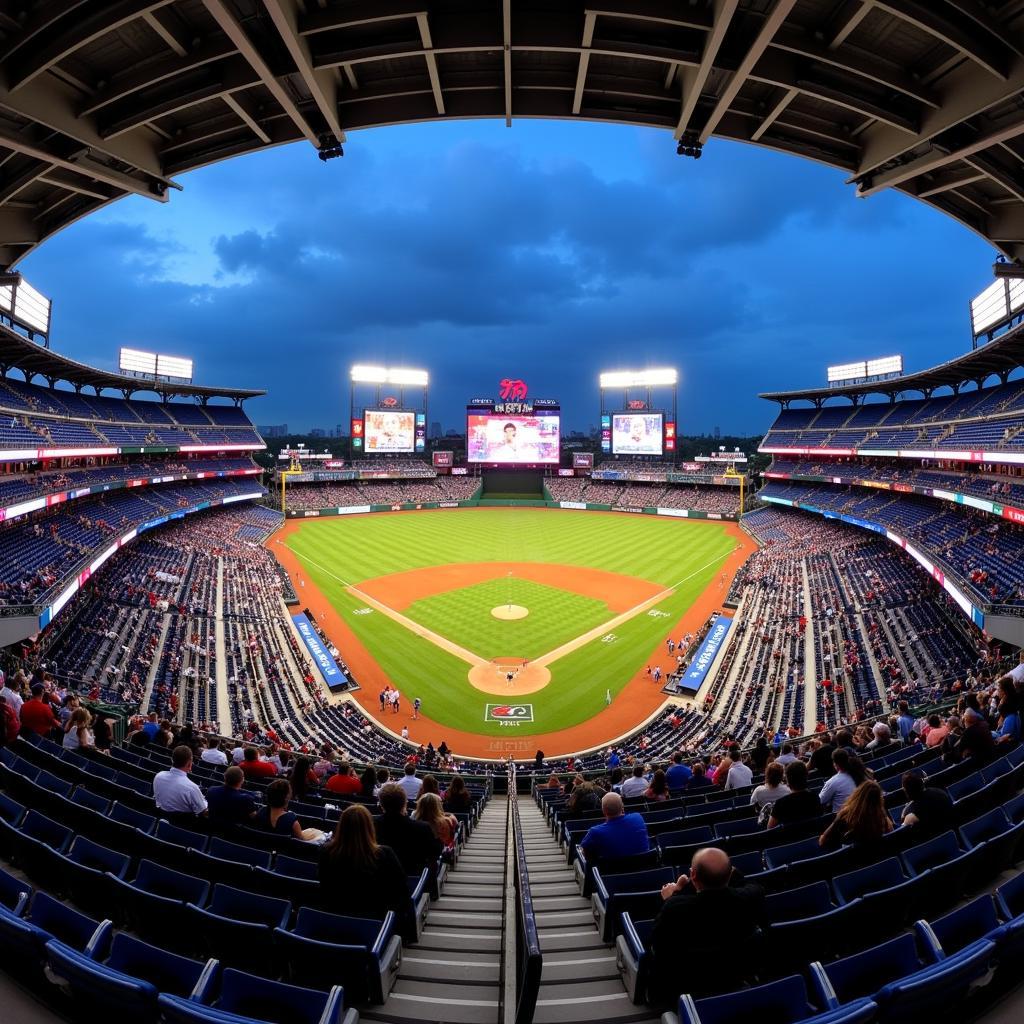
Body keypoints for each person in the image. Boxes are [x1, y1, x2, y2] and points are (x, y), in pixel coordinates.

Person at [649, 848, 764, 1004]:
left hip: (685, 990)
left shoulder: (674, 908)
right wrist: (731, 873)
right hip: (732, 979)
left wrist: (671, 897)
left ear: (693, 874)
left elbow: (656, 944)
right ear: (729, 875)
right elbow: (754, 886)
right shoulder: (748, 899)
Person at [319, 804, 410, 918]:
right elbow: (402, 893)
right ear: (369, 827)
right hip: (376, 923)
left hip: (334, 919)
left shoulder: (326, 852)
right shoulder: (384, 854)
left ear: (341, 826)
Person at [374, 782, 442, 876]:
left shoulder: (371, 826)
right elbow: (435, 853)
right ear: (404, 803)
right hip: (415, 882)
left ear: (381, 804)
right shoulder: (423, 828)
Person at [819, 780, 892, 850]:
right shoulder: (880, 814)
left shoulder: (845, 814)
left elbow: (822, 841)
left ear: (858, 794)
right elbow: (890, 829)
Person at [578, 793, 650, 861]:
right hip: (644, 870)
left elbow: (585, 854)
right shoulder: (638, 817)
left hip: (611, 872)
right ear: (622, 807)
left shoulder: (595, 832)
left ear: (603, 811)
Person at [255, 779, 323, 842]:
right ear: (286, 797)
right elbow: (302, 842)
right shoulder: (291, 820)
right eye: (290, 792)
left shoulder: (260, 812)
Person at [153, 745, 207, 819]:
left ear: (172, 760)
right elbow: (203, 811)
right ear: (190, 763)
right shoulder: (192, 788)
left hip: (159, 819)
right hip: (181, 826)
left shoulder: (158, 776)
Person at [767, 760, 821, 828]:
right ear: (806, 777)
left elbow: (769, 828)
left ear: (787, 780)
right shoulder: (815, 796)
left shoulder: (781, 803)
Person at [900, 771, 955, 836]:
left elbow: (903, 826)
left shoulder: (910, 814)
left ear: (906, 791)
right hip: (952, 837)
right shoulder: (940, 792)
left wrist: (904, 811)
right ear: (921, 782)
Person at [818, 749, 861, 813]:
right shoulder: (859, 774)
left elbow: (820, 801)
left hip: (842, 819)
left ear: (835, 764)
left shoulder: (832, 782)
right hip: (859, 813)